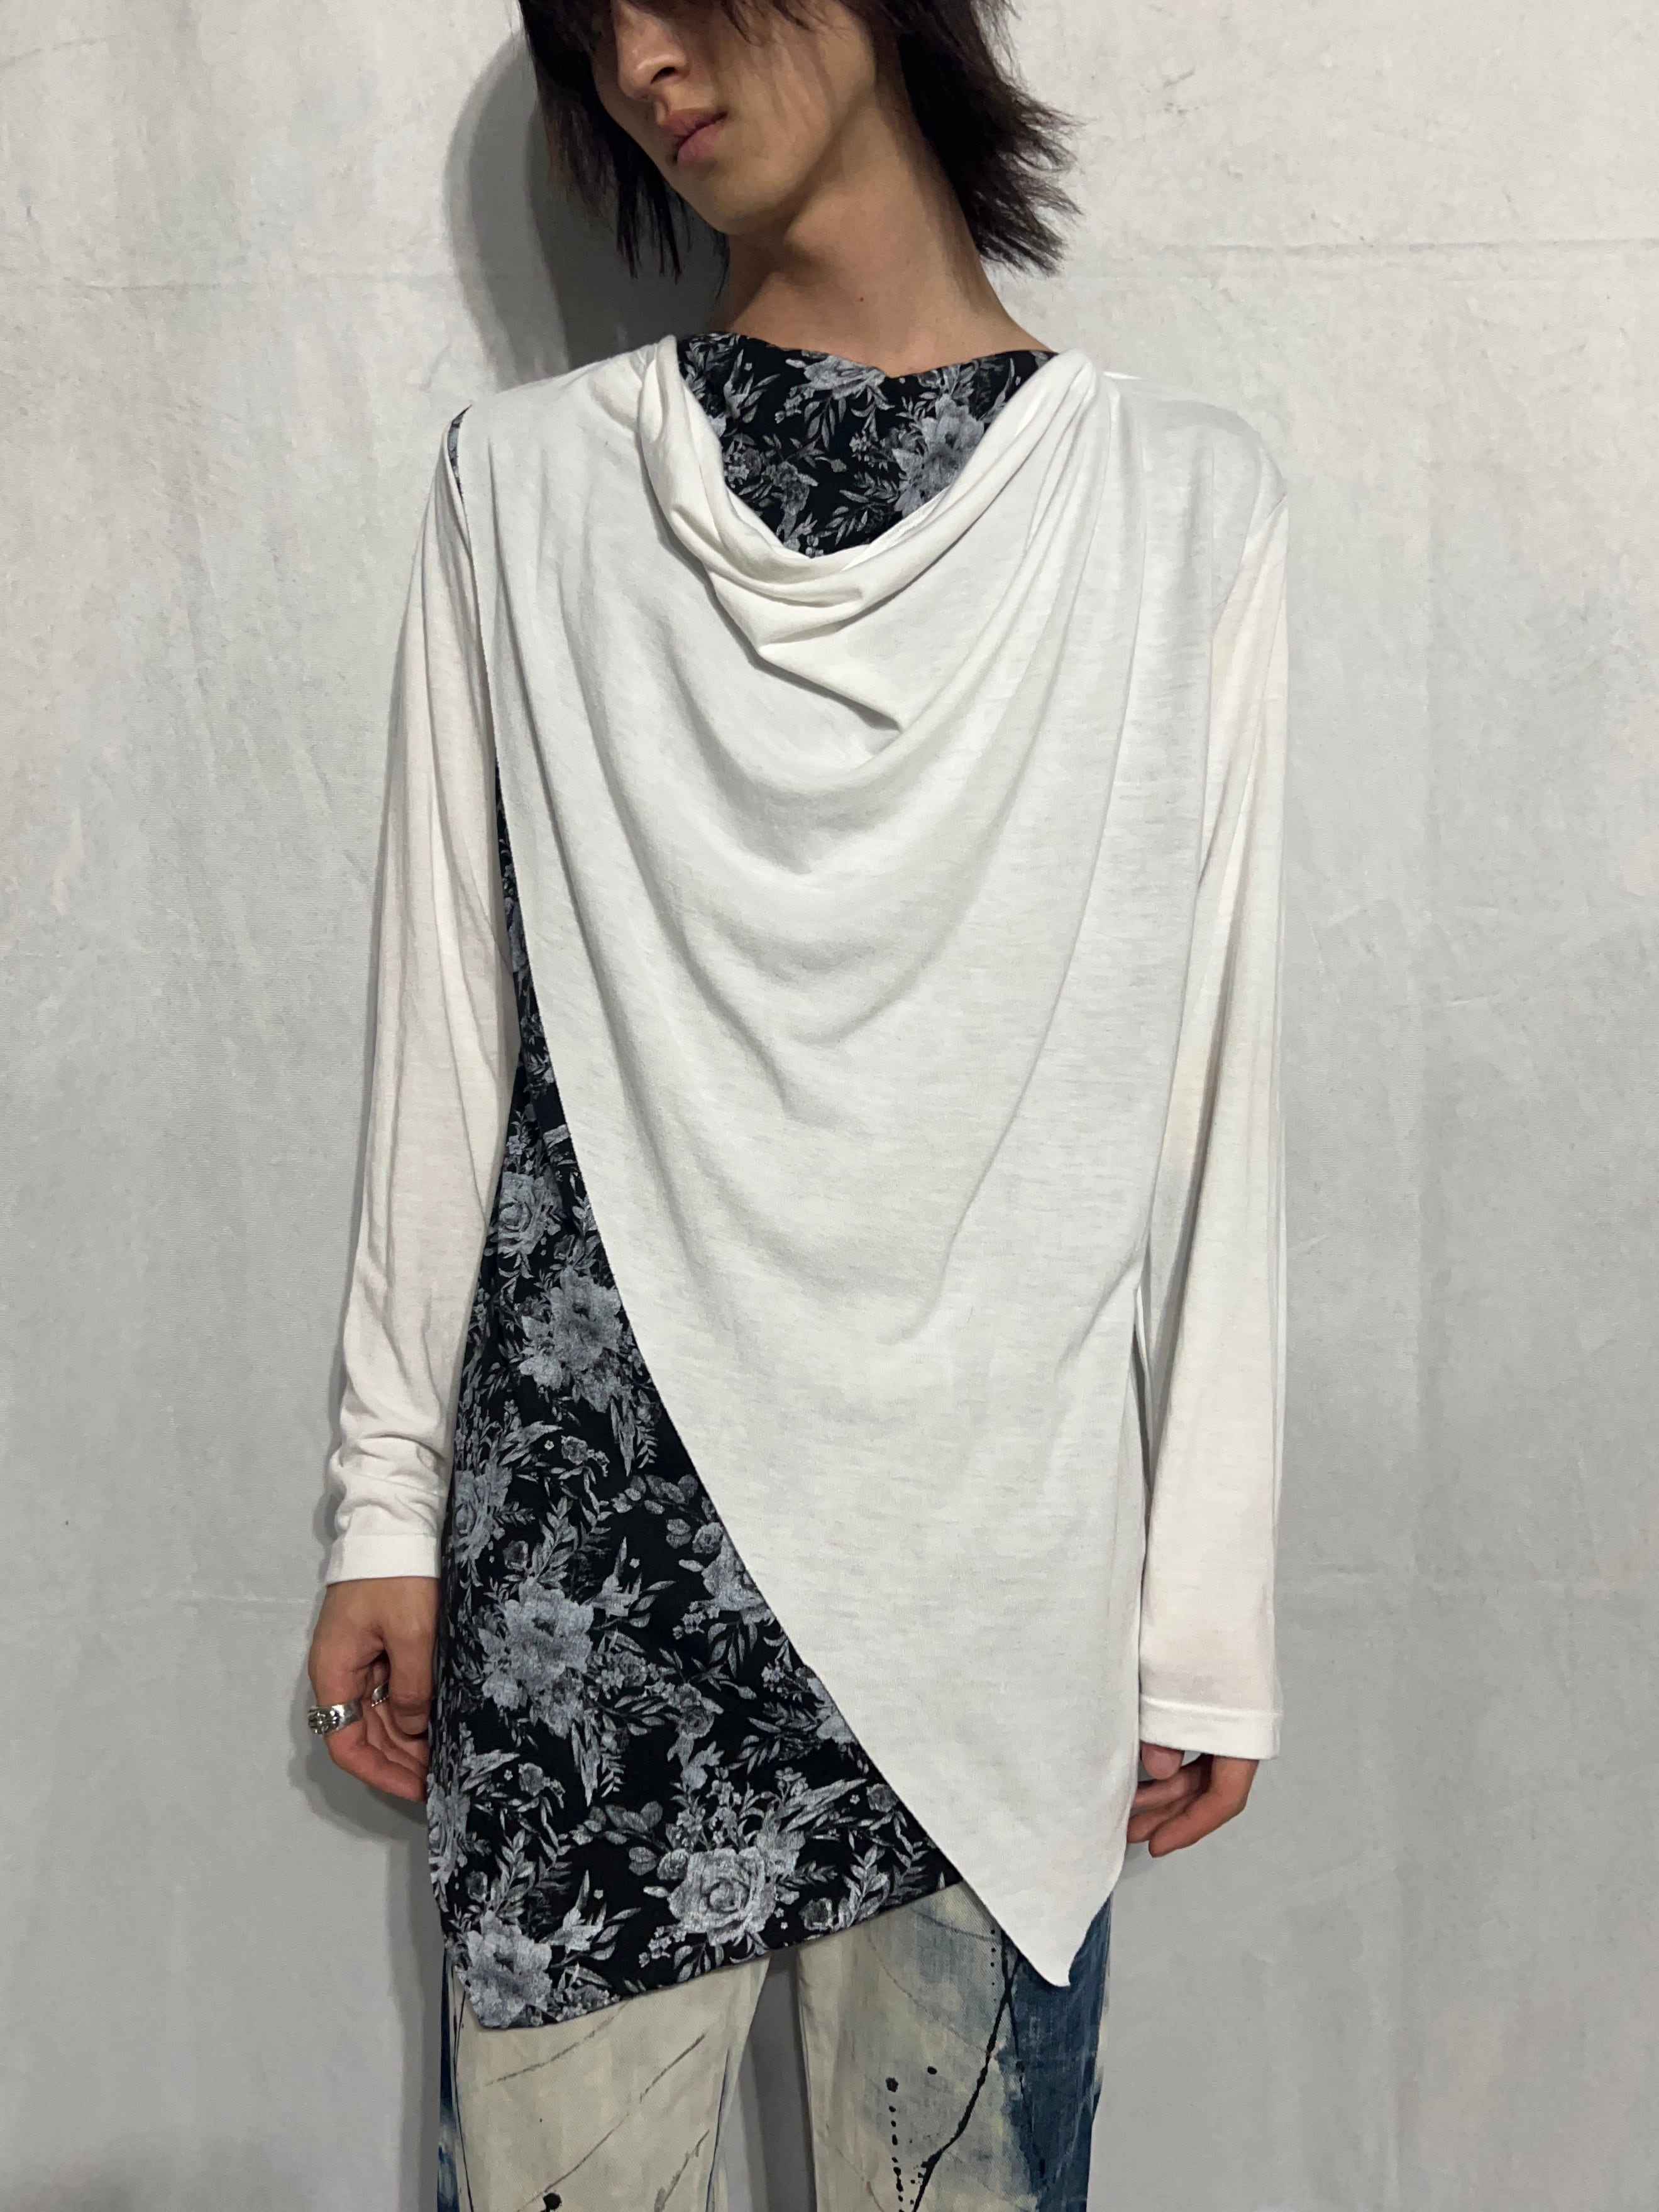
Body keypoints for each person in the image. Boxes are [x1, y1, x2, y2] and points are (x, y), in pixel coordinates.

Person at [305, 0, 1289, 2203]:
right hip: (583, 1604)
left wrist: (1206, 1613)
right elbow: (448, 1017)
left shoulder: (1180, 506)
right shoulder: (524, 490)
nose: (644, 63)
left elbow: (1212, 1093)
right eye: (593, 34)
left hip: (989, 1612)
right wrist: (388, 1497)